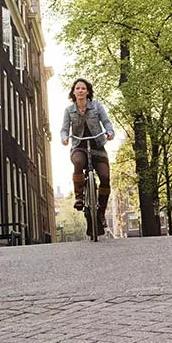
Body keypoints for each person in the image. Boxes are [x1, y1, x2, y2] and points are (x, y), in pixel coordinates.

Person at [60, 78, 115, 235]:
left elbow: (106, 122)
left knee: (105, 177)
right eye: (77, 88)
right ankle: (79, 197)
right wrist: (64, 138)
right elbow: (64, 129)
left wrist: (110, 132)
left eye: (83, 88)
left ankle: (101, 212)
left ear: (88, 91)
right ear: (74, 92)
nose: (80, 91)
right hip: (79, 146)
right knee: (78, 162)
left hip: (97, 146)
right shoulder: (69, 110)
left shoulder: (96, 106)